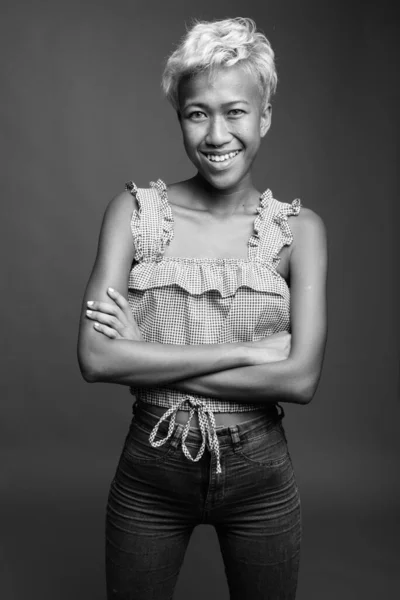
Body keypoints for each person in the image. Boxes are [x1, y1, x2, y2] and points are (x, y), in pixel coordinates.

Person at [77, 16, 327, 600]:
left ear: (264, 116)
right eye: (198, 113)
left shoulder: (300, 232)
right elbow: (95, 359)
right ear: (181, 118)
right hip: (151, 469)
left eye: (236, 111)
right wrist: (251, 351)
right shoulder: (133, 213)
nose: (217, 134)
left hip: (261, 472)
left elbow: (299, 379)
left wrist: (144, 353)